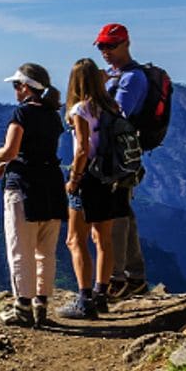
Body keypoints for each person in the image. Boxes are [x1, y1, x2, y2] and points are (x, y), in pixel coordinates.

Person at [0, 64, 65, 326]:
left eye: (16, 85)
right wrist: (6, 165)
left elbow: (11, 150)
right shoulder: (52, 115)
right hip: (52, 185)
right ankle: (41, 306)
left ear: (26, 87)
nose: (15, 90)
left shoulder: (22, 113)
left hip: (24, 187)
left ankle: (22, 308)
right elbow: (37, 151)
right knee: (46, 250)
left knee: (20, 248)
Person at [59, 58, 127, 320]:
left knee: (75, 240)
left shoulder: (80, 109)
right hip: (110, 178)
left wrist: (74, 179)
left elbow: (82, 149)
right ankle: (101, 295)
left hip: (88, 178)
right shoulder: (112, 106)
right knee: (103, 238)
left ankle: (84, 300)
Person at [95, 22, 149, 298]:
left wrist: (96, 91)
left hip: (118, 158)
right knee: (123, 211)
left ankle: (116, 279)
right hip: (118, 155)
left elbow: (118, 115)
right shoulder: (118, 76)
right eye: (101, 46)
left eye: (110, 46)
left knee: (115, 214)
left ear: (126, 44)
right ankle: (134, 277)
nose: (105, 51)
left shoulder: (132, 79)